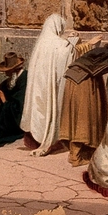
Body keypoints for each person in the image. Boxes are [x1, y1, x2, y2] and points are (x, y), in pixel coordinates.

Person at [60, 39, 108, 166]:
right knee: (84, 117)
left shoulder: (96, 53)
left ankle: (76, 152)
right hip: (83, 83)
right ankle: (75, 157)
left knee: (75, 116)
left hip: (72, 80)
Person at [20, 14, 76, 156]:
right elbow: (67, 52)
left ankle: (37, 138)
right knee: (48, 110)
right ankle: (48, 139)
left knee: (39, 109)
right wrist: (74, 40)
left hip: (39, 84)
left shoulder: (42, 42)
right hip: (48, 85)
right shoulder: (55, 42)